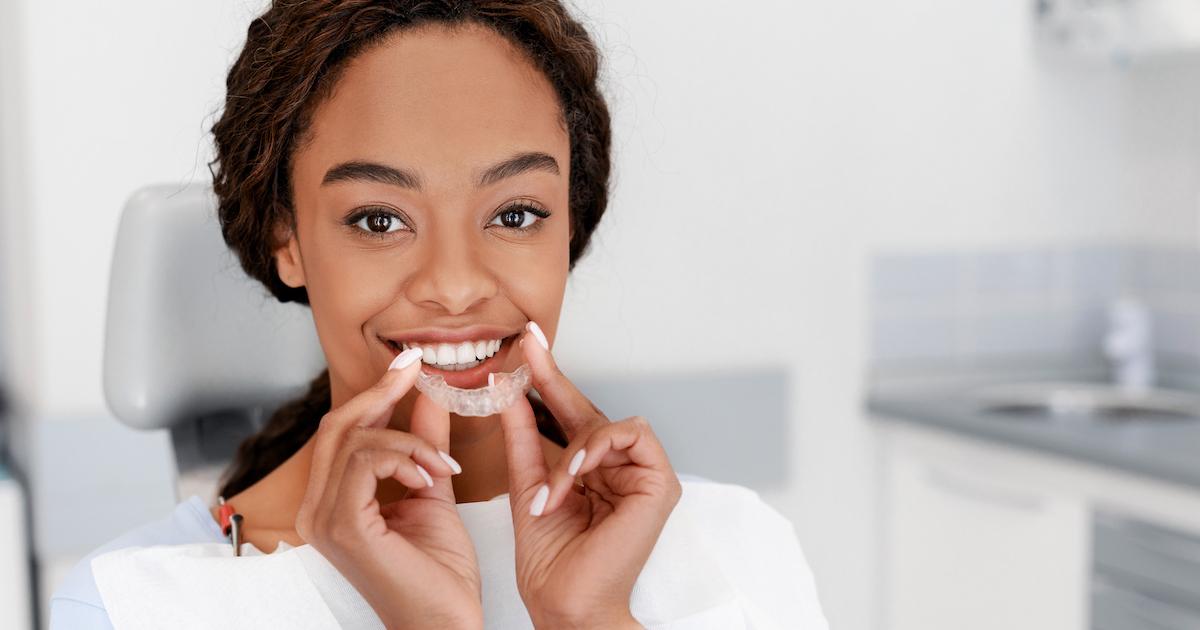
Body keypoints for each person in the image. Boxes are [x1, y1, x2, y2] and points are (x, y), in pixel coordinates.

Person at [50, 1, 828, 628]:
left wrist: (589, 618)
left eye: (517, 214)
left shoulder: (736, 547)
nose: (456, 287)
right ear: (287, 237)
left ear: (570, 225)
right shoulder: (133, 606)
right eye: (380, 220)